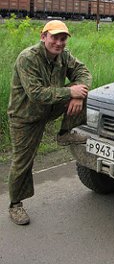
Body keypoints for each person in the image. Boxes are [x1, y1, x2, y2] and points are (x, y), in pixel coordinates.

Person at [7, 20, 92, 225]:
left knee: (81, 90)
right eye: (54, 37)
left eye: (63, 38)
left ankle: (65, 132)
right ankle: (15, 205)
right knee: (23, 161)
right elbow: (36, 94)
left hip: (48, 108)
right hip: (25, 117)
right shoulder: (28, 58)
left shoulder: (64, 56)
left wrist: (77, 95)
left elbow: (83, 72)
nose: (59, 43)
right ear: (43, 36)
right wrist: (70, 92)